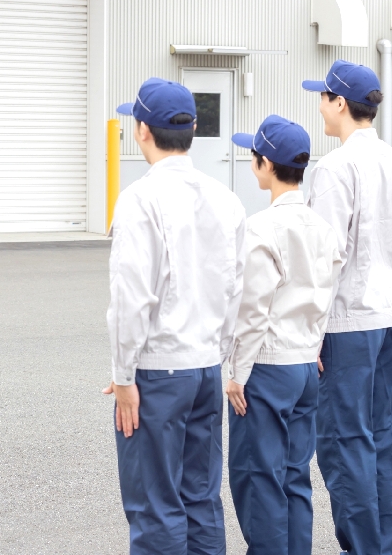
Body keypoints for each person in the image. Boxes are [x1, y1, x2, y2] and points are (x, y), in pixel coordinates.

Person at [103, 78, 246, 554]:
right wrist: (220, 355)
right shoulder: (225, 198)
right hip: (205, 367)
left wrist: (124, 375)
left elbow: (132, 298)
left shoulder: (141, 199)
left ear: (142, 130)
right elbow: (234, 287)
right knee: (201, 499)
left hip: (158, 372)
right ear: (193, 130)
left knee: (156, 504)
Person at [302, 60, 392, 555]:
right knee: (383, 442)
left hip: (346, 325)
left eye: (323, 96)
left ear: (340, 103)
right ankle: (387, 544)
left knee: (346, 444)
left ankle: (366, 549)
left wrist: (311, 332)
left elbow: (323, 258)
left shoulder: (334, 168)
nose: (320, 105)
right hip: (390, 320)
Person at [226, 116, 341, 555]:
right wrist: (312, 348)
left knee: (259, 478)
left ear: (265, 164)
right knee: (294, 475)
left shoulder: (261, 228)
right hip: (304, 366)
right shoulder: (322, 228)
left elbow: (252, 310)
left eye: (253, 156)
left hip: (268, 368)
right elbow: (325, 298)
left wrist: (236, 372)